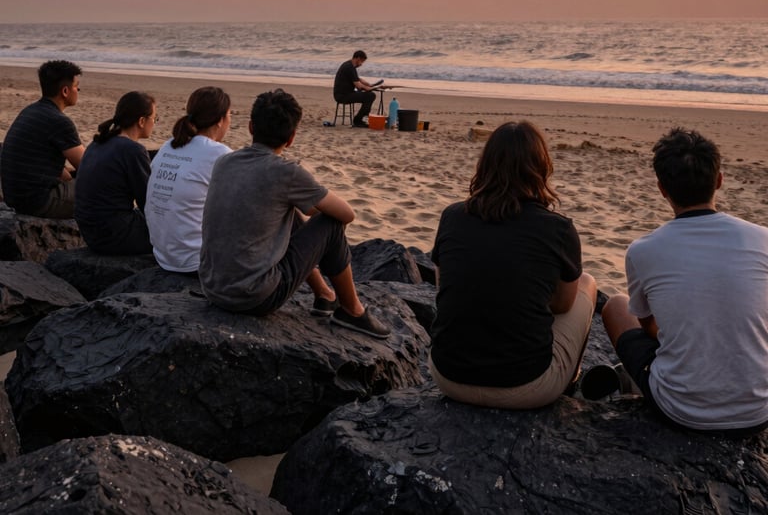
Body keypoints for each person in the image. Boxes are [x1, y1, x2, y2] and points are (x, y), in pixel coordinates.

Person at [600, 128, 768, 435]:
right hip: (758, 413)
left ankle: (636, 380)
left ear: (662, 188)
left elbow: (649, 327)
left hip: (681, 410)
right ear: (719, 180)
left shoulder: (643, 250)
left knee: (616, 306)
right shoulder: (763, 238)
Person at [429, 121, 597, 409]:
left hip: (448, 377)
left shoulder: (453, 216)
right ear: (541, 167)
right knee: (587, 283)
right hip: (527, 388)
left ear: (485, 165)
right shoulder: (557, 229)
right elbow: (562, 305)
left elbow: (442, 286)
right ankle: (569, 378)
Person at [199, 88, 390, 338]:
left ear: (250, 127)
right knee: (330, 223)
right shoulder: (287, 172)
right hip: (253, 298)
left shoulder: (224, 162)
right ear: (291, 138)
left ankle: (324, 295)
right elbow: (346, 214)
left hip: (213, 288)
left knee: (291, 212)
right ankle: (352, 311)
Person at [146, 86, 232, 273]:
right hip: (194, 261)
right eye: (229, 115)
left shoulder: (169, 145)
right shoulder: (219, 153)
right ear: (220, 121)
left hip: (163, 255)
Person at [74, 91, 156, 255]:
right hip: (114, 237)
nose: (154, 123)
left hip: (91, 233)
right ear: (141, 121)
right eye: (154, 118)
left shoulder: (97, 144)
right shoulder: (133, 150)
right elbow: (148, 204)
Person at [0, 60, 84, 218]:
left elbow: (47, 164)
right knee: (104, 189)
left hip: (16, 198)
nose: (78, 89)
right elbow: (90, 167)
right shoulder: (59, 121)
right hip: (38, 202)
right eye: (76, 86)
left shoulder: (30, 111)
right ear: (65, 91)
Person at [333, 50, 377, 128]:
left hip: (344, 93)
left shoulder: (349, 65)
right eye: (362, 61)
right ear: (358, 58)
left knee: (369, 95)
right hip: (343, 95)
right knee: (370, 96)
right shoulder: (349, 67)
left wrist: (370, 85)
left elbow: (358, 79)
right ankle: (358, 120)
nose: (361, 64)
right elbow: (358, 85)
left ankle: (362, 118)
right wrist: (368, 89)